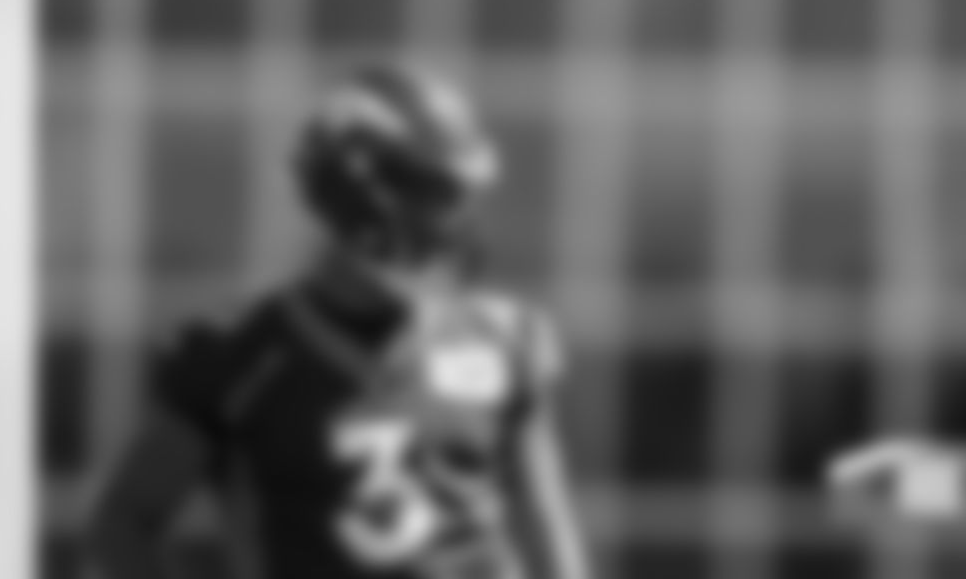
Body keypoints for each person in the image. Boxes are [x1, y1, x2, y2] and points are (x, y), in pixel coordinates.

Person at [88, 63, 591, 579]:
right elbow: (122, 526)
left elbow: (546, 524)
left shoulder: (504, 340)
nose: (448, 227)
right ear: (355, 203)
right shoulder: (237, 354)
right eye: (433, 201)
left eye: (454, 202)